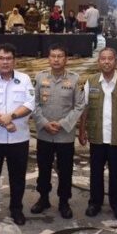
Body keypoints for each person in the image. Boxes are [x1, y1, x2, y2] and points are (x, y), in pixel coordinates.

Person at [78, 47, 117, 220]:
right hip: (97, 136)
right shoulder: (91, 81)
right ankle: (95, 202)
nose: (106, 62)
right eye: (103, 58)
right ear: (98, 62)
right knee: (96, 171)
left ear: (116, 61)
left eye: (110, 58)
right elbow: (84, 108)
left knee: (116, 172)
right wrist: (81, 131)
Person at [0, 43, 35, 226]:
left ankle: (16, 209)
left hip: (19, 138)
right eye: (1, 58)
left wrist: (12, 116)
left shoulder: (24, 79)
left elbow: (30, 103)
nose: (5, 62)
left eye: (9, 58)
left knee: (17, 176)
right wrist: (4, 121)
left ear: (14, 61)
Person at [31, 45, 85, 219]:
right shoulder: (40, 77)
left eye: (60, 56)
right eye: (53, 56)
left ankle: (64, 202)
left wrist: (62, 124)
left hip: (65, 135)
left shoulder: (75, 79)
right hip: (44, 133)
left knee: (65, 170)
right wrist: (44, 123)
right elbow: (33, 103)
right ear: (48, 58)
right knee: (43, 168)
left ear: (66, 59)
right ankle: (43, 198)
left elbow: (79, 106)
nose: (56, 59)